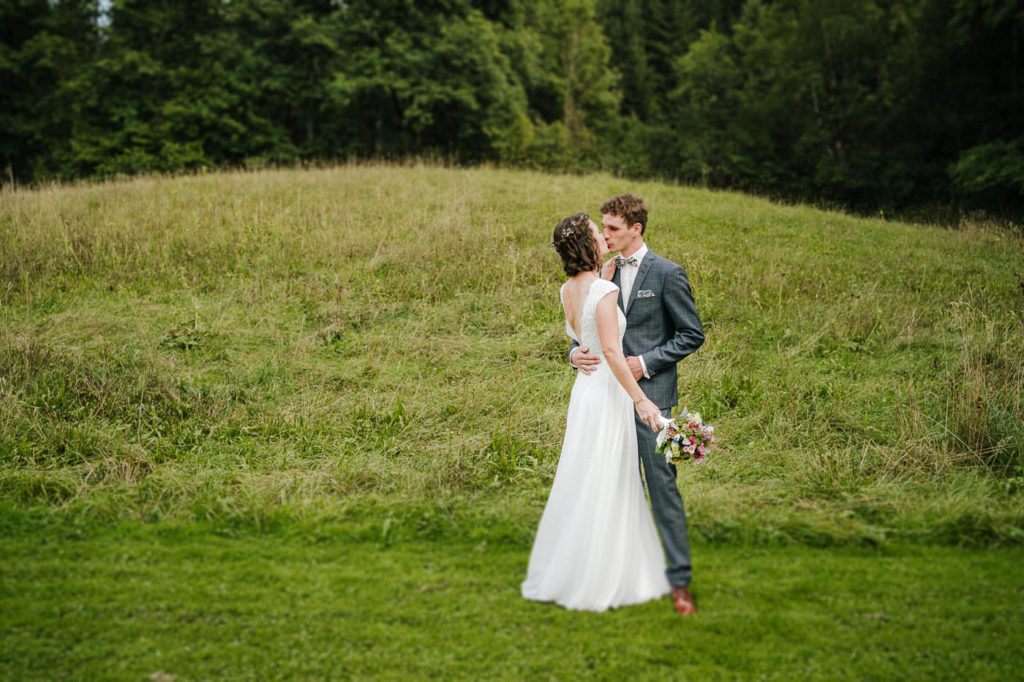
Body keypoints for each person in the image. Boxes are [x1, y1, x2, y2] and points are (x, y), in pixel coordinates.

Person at [521, 212, 670, 612]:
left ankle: (578, 565)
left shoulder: (567, 289)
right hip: (607, 391)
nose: (604, 236)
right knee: (608, 475)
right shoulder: (603, 289)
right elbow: (608, 351)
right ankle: (602, 575)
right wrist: (641, 399)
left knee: (586, 474)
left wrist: (573, 355)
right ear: (586, 243)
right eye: (596, 232)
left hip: (584, 392)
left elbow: (579, 339)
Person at [572, 193, 704, 615]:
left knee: (662, 487)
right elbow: (587, 331)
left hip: (652, 399)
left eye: (612, 228)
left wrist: (645, 363)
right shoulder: (599, 274)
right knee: (609, 485)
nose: (605, 234)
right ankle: (612, 575)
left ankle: (679, 582)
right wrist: (573, 352)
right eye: (603, 228)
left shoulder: (667, 273)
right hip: (606, 401)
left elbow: (691, 334)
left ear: (636, 229)